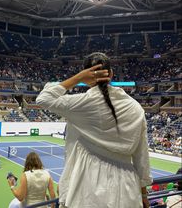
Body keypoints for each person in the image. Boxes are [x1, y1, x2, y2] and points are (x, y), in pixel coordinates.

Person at [36, 52, 152, 208]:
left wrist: (78, 78)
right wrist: (143, 193)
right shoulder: (136, 108)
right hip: (128, 189)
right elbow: (141, 156)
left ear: (87, 76)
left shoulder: (83, 103)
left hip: (88, 188)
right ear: (111, 73)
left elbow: (44, 98)